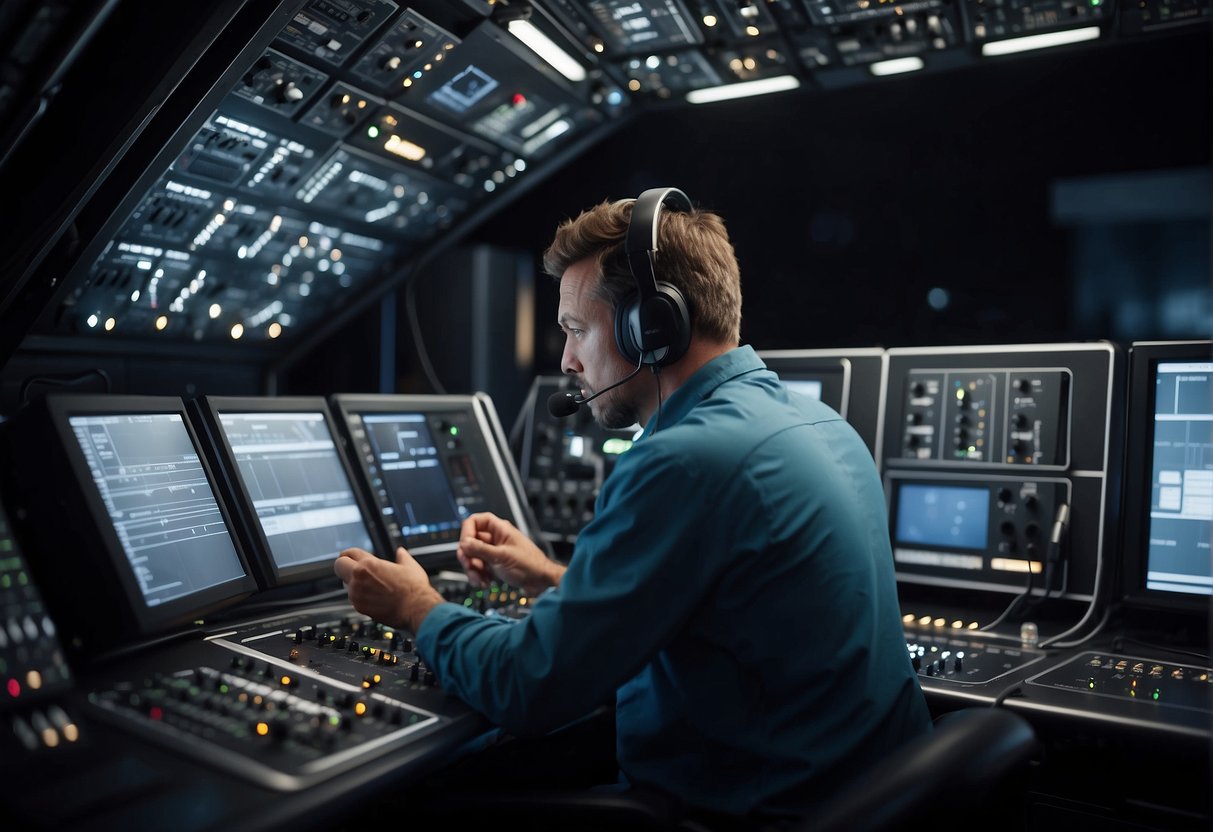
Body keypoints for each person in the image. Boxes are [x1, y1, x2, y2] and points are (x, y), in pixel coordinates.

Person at [334, 190, 930, 825]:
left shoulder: (682, 461)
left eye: (575, 330)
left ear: (652, 327)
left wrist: (416, 606)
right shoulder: (823, 424)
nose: (567, 361)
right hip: (858, 802)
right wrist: (551, 577)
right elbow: (718, 603)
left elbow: (527, 687)